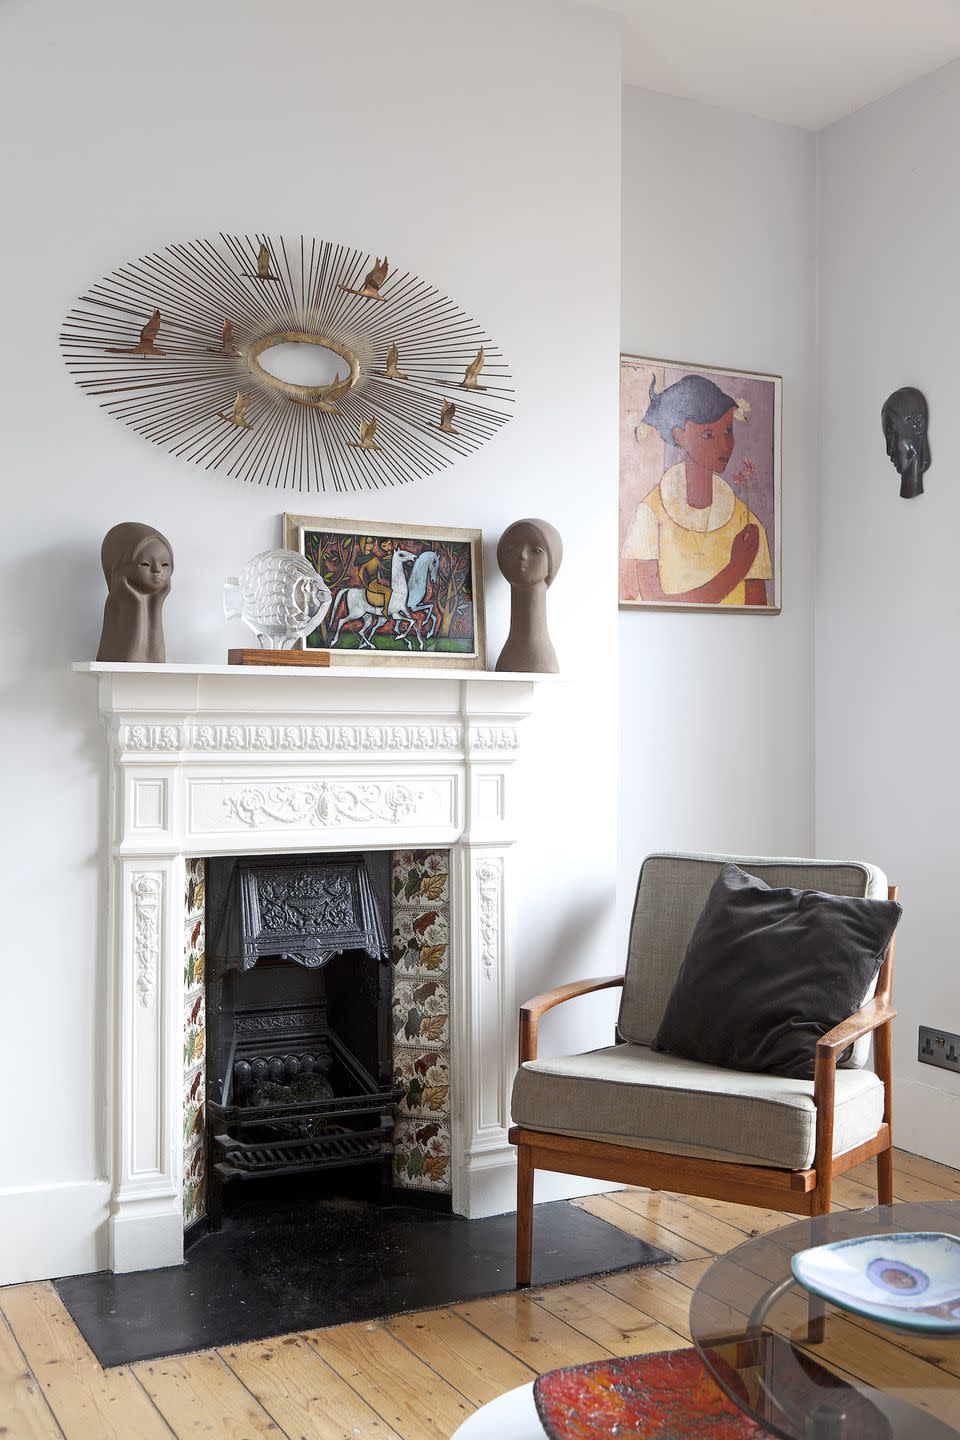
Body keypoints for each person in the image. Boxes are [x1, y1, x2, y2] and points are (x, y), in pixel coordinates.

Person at [622, 374, 772, 606]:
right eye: (708, 435)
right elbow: (653, 602)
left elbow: (758, 609)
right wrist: (735, 570)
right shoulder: (650, 514)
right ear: (679, 436)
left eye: (728, 431)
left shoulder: (748, 525)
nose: (724, 445)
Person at [97, 522, 174, 662]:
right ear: (120, 566)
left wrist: (157, 603)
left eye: (165, 565)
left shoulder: (153, 600)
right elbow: (131, 658)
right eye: (145, 564)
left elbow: (158, 660)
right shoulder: (117, 603)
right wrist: (136, 602)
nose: (157, 570)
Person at [358, 536, 393, 613]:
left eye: (371, 542)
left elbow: (383, 568)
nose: (370, 545)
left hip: (377, 581)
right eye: (368, 543)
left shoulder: (374, 558)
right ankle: (385, 610)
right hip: (372, 583)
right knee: (388, 591)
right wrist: (365, 585)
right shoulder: (364, 560)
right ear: (363, 543)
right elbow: (360, 574)